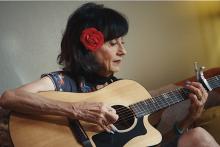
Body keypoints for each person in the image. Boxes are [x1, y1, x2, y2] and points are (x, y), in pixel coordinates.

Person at [0, 2, 219, 147]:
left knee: (198, 135)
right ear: (87, 46)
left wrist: (190, 117)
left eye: (123, 43)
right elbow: (9, 98)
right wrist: (77, 110)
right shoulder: (63, 81)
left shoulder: (126, 91)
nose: (123, 51)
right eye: (113, 43)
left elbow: (153, 143)